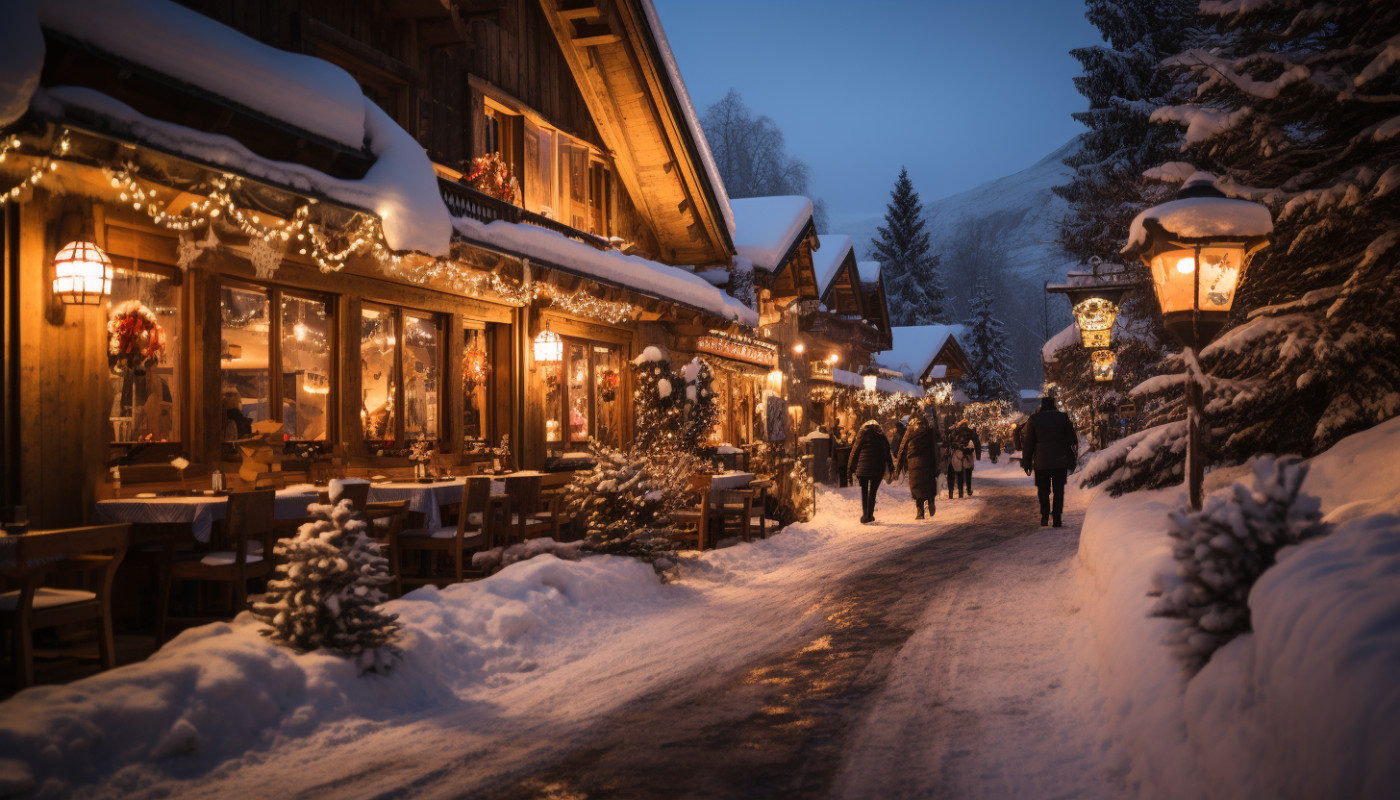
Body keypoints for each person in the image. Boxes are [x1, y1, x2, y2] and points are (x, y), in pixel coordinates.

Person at [1023, 395, 1078, 527]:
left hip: (1041, 462)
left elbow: (1028, 443)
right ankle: (1057, 517)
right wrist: (1071, 457)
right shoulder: (1063, 418)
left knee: (1043, 490)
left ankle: (1044, 516)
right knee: (1058, 490)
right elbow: (1073, 440)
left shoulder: (1034, 419)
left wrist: (1027, 462)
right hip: (1060, 461)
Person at [894, 412, 941, 519]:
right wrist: (937, 466)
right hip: (928, 463)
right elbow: (935, 449)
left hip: (914, 464)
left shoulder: (909, 432)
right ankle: (930, 501)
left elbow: (901, 449)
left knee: (917, 487)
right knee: (928, 484)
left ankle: (920, 511)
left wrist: (898, 467)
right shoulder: (929, 432)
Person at [847, 419, 894, 524]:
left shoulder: (862, 436)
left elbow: (854, 453)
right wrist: (891, 467)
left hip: (862, 469)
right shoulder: (882, 437)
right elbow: (887, 453)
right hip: (877, 469)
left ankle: (865, 515)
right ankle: (870, 514)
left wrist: (850, 470)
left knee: (864, 491)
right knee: (872, 492)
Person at [947, 419, 977, 497]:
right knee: (968, 472)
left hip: (957, 453)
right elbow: (975, 442)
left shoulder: (956, 431)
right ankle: (968, 490)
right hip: (967, 454)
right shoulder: (970, 432)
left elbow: (950, 441)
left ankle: (957, 492)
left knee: (957, 473)